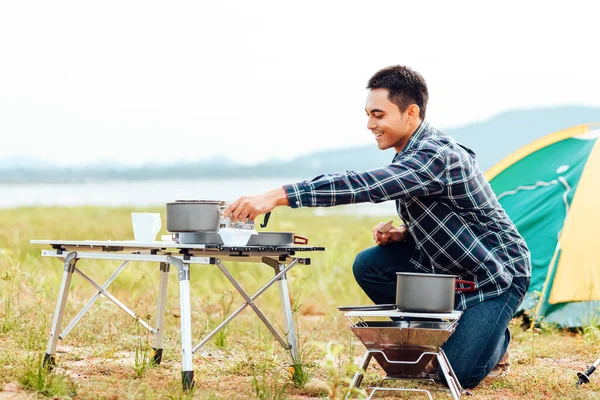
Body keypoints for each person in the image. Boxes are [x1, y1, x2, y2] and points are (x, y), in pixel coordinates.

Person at [222, 65, 531, 389]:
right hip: (449, 267)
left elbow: (364, 185)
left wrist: (278, 195)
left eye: (379, 115)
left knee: (454, 377)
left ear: (411, 113)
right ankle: (457, 329)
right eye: (368, 114)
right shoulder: (411, 156)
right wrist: (407, 233)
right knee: (371, 265)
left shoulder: (437, 156)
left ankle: (496, 338)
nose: (370, 125)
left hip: (497, 272)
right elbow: (456, 217)